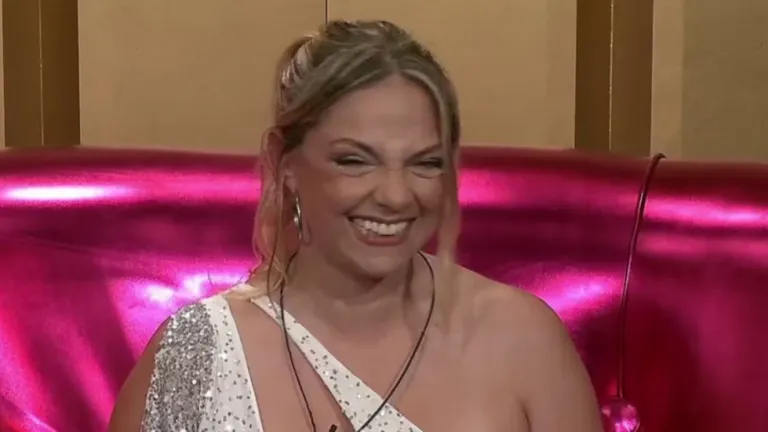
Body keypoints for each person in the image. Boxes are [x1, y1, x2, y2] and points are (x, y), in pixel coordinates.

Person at [109, 19, 602, 432]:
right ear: (285, 163)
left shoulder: (523, 339)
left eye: (425, 163)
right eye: (354, 161)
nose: (395, 195)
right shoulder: (198, 351)